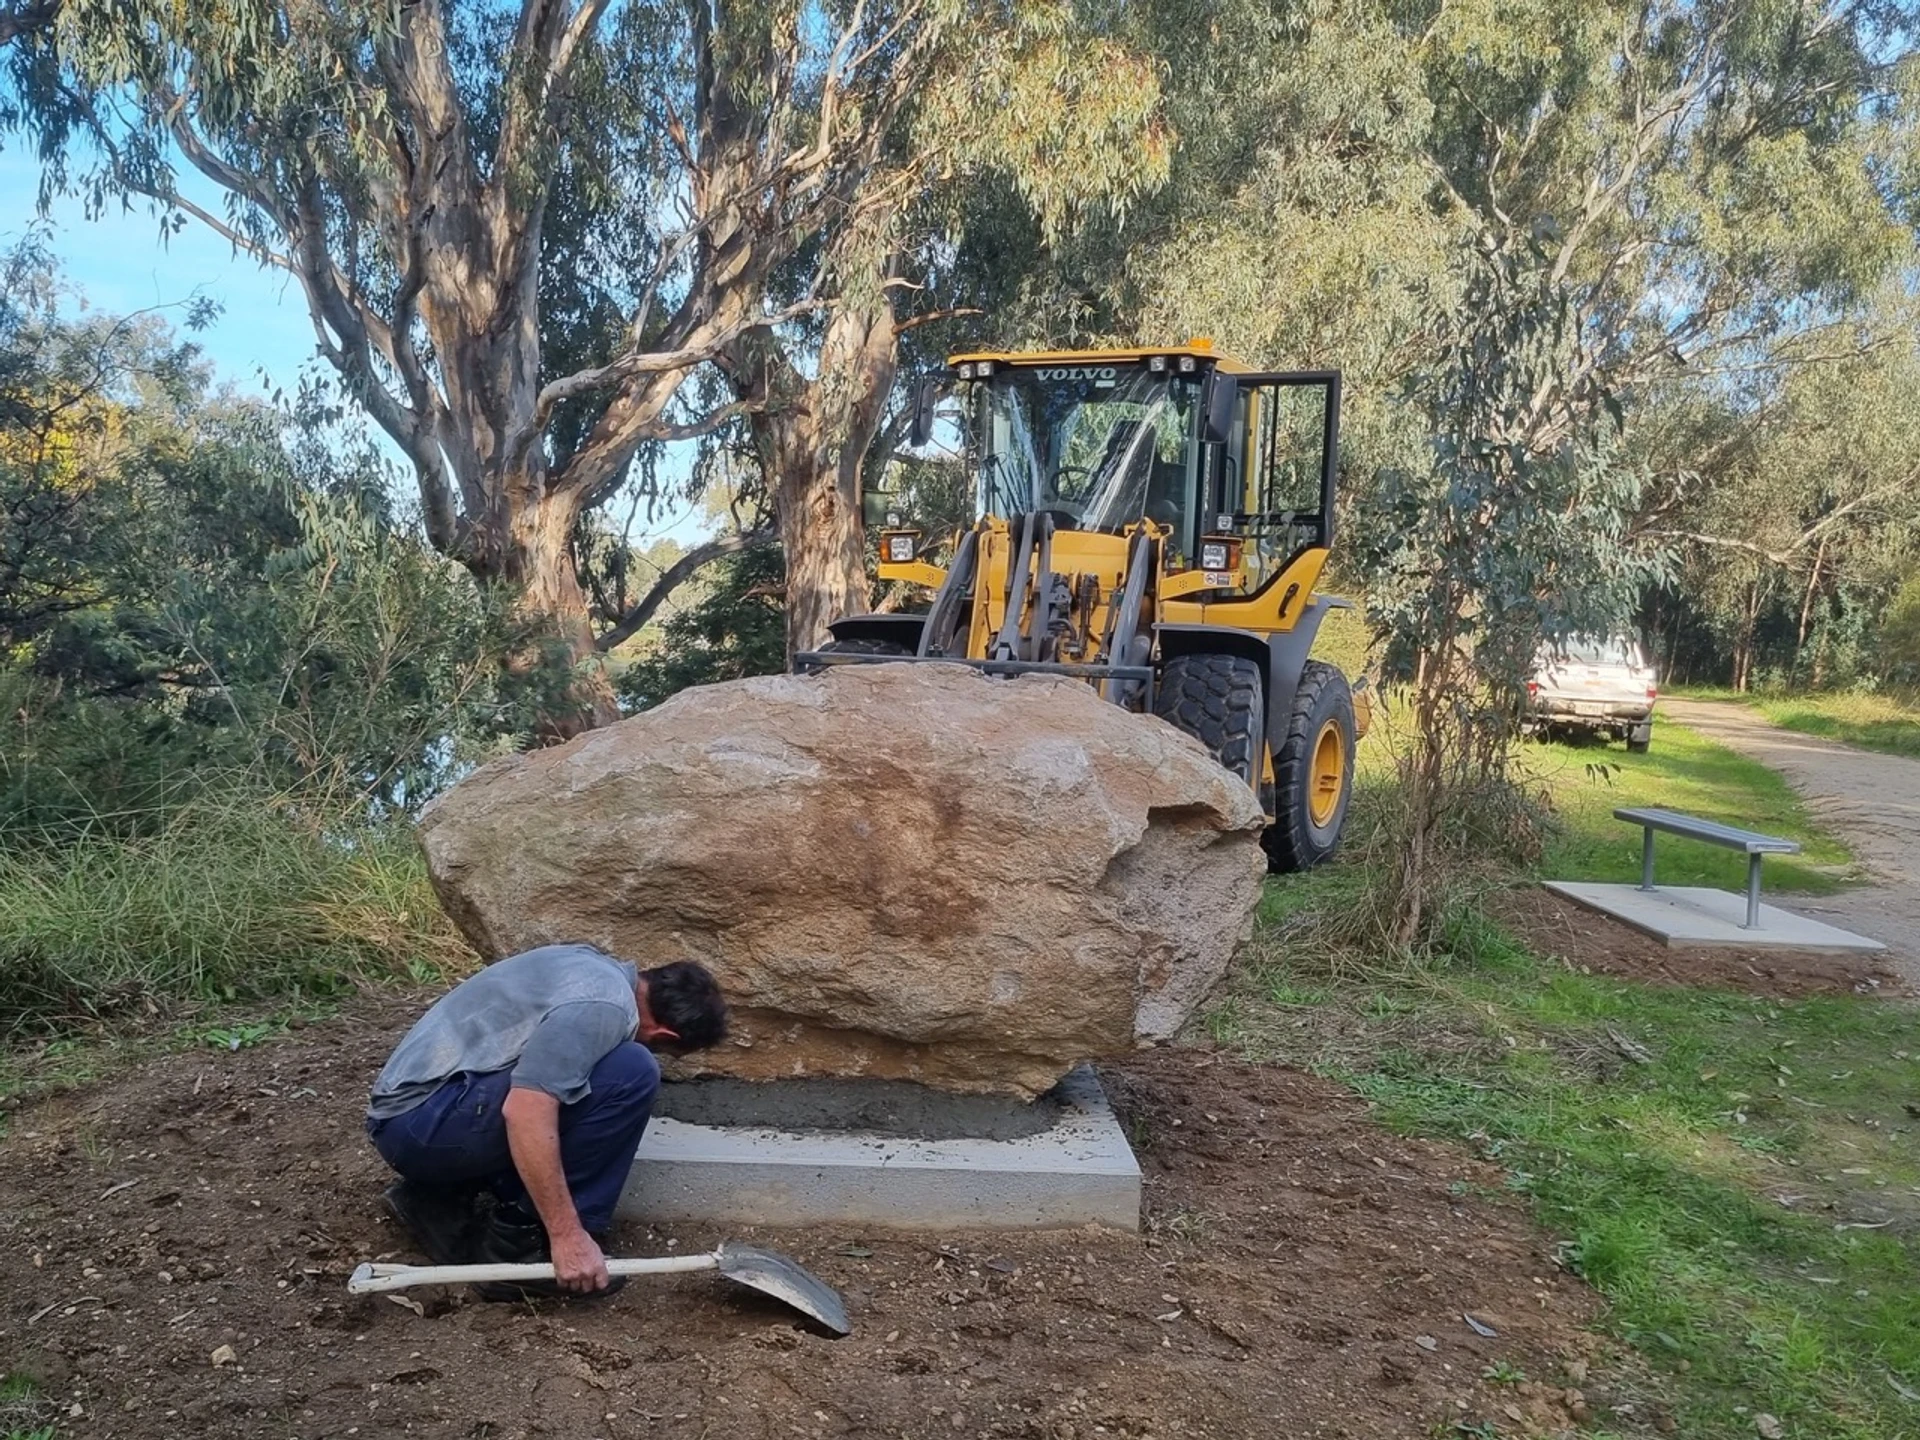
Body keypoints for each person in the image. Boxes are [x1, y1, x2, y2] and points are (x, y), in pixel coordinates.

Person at [365, 943, 728, 1300]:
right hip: (422, 1127)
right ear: (665, 1035)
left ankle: (438, 1198)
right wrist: (567, 1235)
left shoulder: (589, 963)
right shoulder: (603, 1009)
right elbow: (525, 1111)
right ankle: (516, 1244)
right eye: (661, 1048)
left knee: (567, 1079)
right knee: (631, 1072)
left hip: (414, 1115)